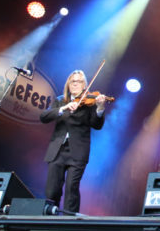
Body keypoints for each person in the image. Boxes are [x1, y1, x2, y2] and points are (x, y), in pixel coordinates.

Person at [40, 69, 107, 213]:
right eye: (73, 81)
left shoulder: (90, 102)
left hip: (77, 151)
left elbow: (97, 125)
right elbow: (44, 117)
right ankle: (47, 221)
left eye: (79, 82)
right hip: (57, 150)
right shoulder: (60, 100)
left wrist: (100, 107)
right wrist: (63, 108)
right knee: (52, 190)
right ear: (68, 84)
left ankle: (69, 222)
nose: (75, 84)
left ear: (84, 85)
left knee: (72, 188)